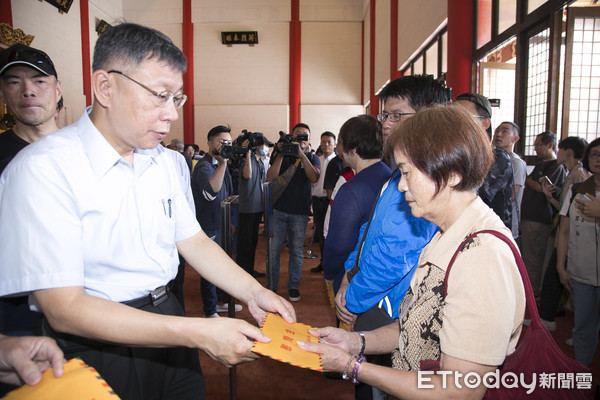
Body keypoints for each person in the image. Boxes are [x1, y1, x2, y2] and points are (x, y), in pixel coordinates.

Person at [0, 23, 295, 400]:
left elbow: (193, 241)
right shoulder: (43, 168)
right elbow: (64, 308)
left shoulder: (169, 164)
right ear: (105, 87)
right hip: (94, 343)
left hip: (167, 319)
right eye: (160, 96)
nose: (171, 114)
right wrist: (200, 332)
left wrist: (253, 292)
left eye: (177, 98)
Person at [298, 105, 525, 399]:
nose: (401, 185)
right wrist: (355, 342)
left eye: (407, 172)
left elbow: (458, 391)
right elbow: (414, 327)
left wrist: (353, 367)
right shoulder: (442, 233)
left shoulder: (482, 257)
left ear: (452, 173)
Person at [334, 75, 447, 400]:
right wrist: (347, 275)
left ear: (431, 117)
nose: (386, 124)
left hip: (386, 307)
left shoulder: (425, 178)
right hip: (368, 295)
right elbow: (367, 234)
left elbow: (393, 257)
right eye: (385, 115)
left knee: (380, 385)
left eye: (398, 115)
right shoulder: (397, 171)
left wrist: (353, 299)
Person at [0, 44, 62, 365]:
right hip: (17, 318)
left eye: (39, 80)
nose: (28, 91)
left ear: (57, 88)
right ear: (3, 93)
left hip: (95, 310)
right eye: (14, 82)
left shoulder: (87, 151)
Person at [322, 115, 391, 296]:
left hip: (355, 280)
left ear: (350, 146)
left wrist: (328, 273)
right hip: (384, 274)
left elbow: (339, 246)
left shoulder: (352, 190)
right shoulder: (391, 176)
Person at [537, 136, 591, 331]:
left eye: (559, 149)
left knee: (560, 277)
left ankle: (551, 319)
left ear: (568, 152)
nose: (557, 153)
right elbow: (564, 208)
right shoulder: (572, 173)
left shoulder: (580, 176)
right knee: (555, 276)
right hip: (564, 231)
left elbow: (577, 211)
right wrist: (549, 196)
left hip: (573, 236)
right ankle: (548, 317)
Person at [556, 137, 600, 366]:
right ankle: (582, 373)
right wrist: (561, 267)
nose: (598, 159)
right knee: (582, 328)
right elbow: (564, 231)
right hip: (581, 273)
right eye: (594, 154)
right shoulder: (576, 190)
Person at [191, 125, 241, 317]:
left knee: (223, 264)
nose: (225, 146)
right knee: (210, 267)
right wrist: (222, 165)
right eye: (221, 142)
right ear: (210, 143)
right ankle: (210, 311)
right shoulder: (204, 166)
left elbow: (227, 194)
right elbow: (210, 194)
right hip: (209, 224)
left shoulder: (222, 163)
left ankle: (221, 301)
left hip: (222, 222)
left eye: (228, 142)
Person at [266, 123, 320, 302]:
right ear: (291, 136)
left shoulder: (312, 157)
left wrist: (302, 154)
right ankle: (271, 287)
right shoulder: (282, 156)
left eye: (305, 137)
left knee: (296, 252)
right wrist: (281, 153)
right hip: (278, 210)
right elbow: (270, 177)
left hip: (300, 212)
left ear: (309, 140)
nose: (301, 140)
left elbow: (314, 177)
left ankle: (293, 286)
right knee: (273, 252)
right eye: (297, 136)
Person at [455, 93, 513, 230]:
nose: (456, 123)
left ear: (485, 123)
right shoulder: (458, 155)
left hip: (487, 236)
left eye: (464, 117)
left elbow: (473, 196)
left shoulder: (498, 158)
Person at [520, 131, 567, 299]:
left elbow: (542, 187)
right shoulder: (541, 164)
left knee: (533, 258)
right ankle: (532, 291)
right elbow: (533, 182)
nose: (536, 149)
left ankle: (532, 294)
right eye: (535, 146)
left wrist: (529, 180)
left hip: (539, 217)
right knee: (531, 257)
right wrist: (531, 181)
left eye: (538, 145)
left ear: (550, 146)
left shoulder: (556, 166)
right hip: (531, 216)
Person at [236, 134, 271, 278]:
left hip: (258, 207)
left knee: (253, 242)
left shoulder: (261, 162)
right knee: (245, 243)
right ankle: (242, 272)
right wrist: (247, 152)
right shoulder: (246, 160)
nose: (265, 148)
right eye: (263, 145)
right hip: (247, 208)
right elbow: (247, 175)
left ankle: (249, 270)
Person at [492, 121, 527, 239]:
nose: (498, 134)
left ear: (515, 138)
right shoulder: (492, 158)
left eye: (505, 131)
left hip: (507, 220)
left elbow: (513, 194)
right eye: (497, 131)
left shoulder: (516, 163)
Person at [310, 131, 337, 274]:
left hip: (330, 203)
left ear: (335, 144)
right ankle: (323, 262)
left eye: (329, 142)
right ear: (320, 143)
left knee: (330, 234)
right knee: (320, 234)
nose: (326, 144)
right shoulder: (316, 161)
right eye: (323, 142)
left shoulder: (338, 162)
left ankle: (331, 264)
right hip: (317, 202)